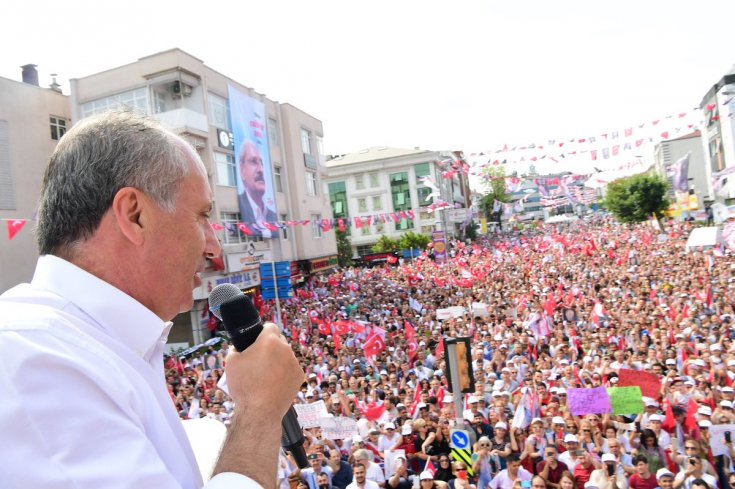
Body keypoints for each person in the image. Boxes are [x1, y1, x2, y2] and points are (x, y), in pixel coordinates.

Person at [0, 111, 304, 488]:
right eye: (201, 216)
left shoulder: (99, 345)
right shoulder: (34, 356)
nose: (213, 246)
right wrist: (259, 410)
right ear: (134, 214)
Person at [237, 139, 277, 237]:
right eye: (253, 162)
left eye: (262, 163)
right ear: (242, 170)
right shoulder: (241, 205)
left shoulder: (272, 215)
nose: (261, 170)